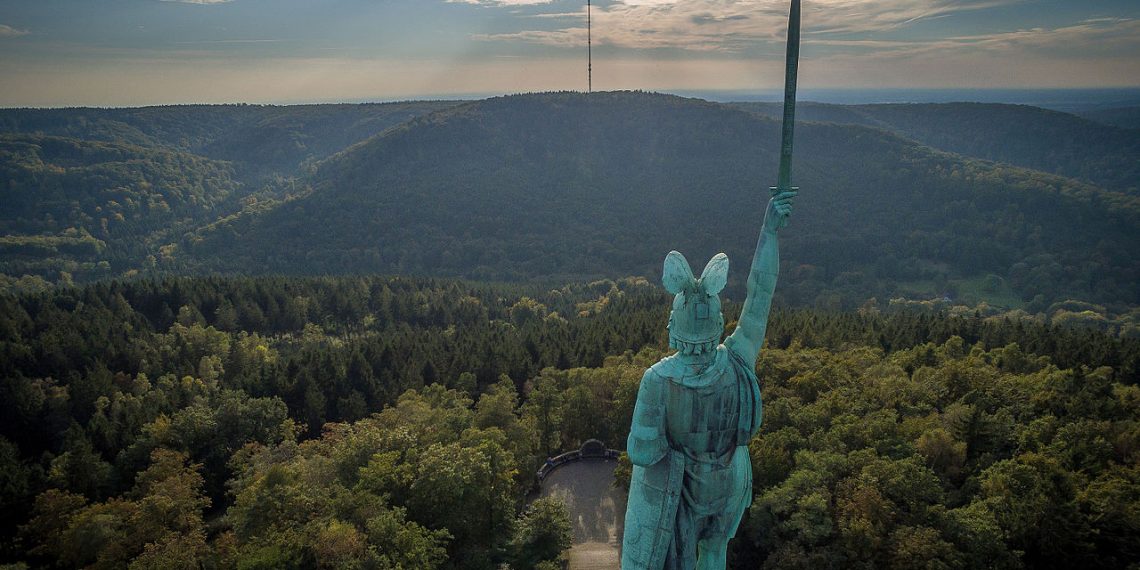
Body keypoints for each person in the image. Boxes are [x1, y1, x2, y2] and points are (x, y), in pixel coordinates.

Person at [622, 189, 796, 569]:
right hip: (730, 478)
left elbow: (642, 452)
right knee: (715, 552)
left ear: (673, 326)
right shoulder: (737, 360)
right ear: (718, 324)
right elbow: (760, 294)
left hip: (684, 488)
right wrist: (769, 233)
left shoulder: (657, 380)